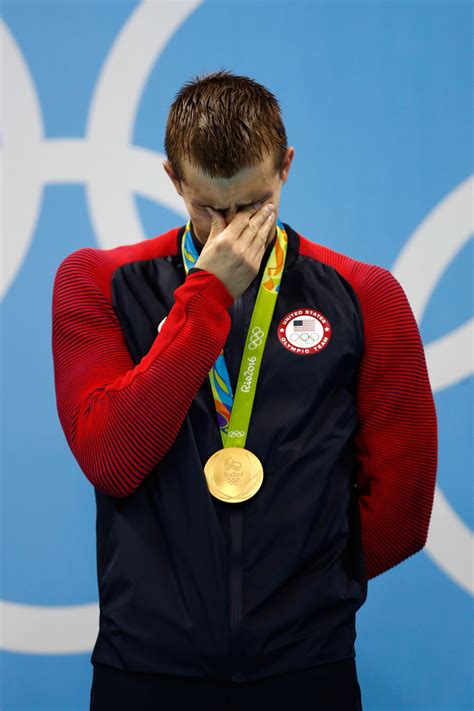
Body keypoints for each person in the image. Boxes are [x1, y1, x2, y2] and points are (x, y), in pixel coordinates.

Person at [51, 70, 438, 710]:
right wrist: (206, 296)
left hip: (306, 671)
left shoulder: (366, 296)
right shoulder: (97, 282)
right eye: (208, 207)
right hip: (145, 670)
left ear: (285, 168)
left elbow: (403, 508)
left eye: (252, 205)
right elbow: (113, 459)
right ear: (173, 178)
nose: (229, 230)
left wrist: (306, 589)